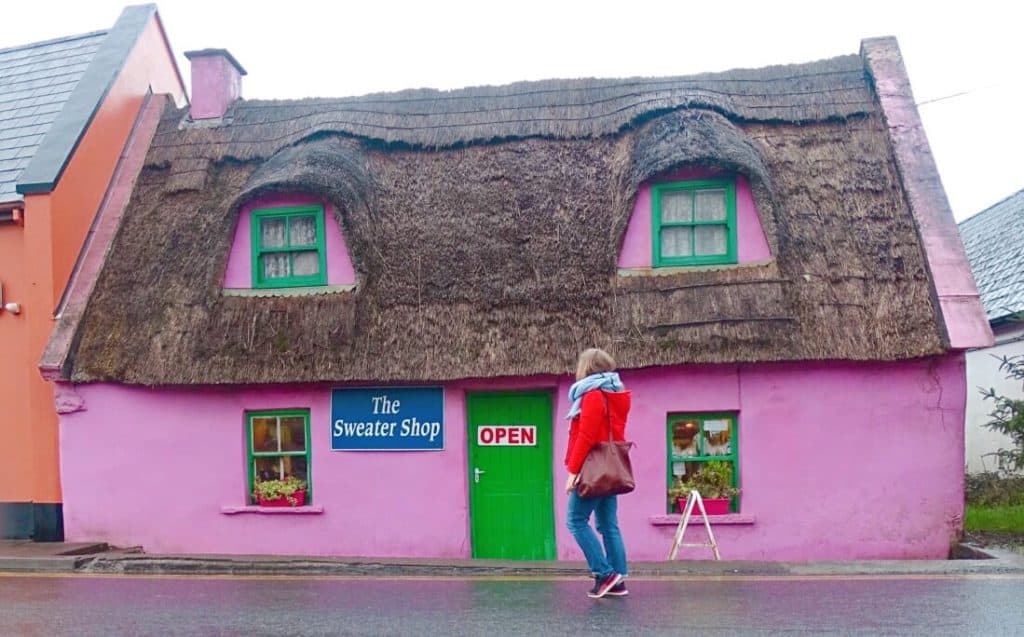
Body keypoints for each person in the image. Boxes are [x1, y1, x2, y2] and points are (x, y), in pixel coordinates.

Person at [564, 347, 631, 599]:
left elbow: (587, 436)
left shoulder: (592, 395)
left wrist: (573, 471)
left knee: (575, 521)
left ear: (586, 368)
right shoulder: (617, 394)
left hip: (592, 468)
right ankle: (618, 579)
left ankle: (604, 574)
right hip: (610, 468)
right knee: (607, 525)